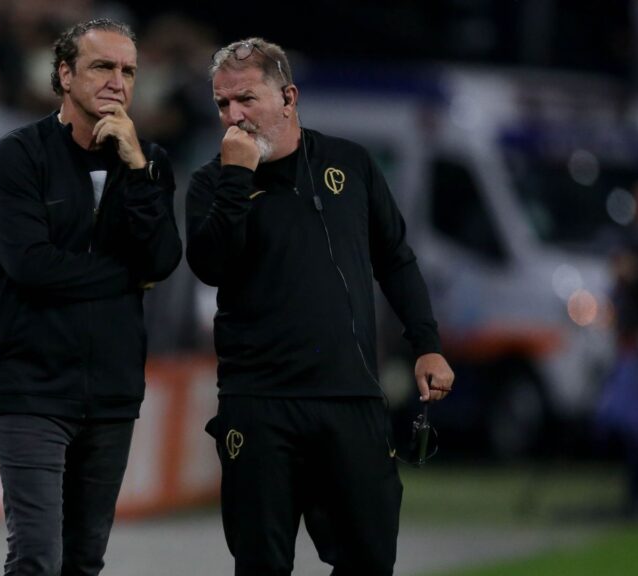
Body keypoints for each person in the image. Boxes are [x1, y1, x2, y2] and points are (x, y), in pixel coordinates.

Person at [186, 38, 454, 576]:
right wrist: (237, 178)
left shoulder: (350, 164)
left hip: (350, 397)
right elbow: (211, 265)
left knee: (370, 559)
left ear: (288, 97)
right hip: (260, 403)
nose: (233, 116)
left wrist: (427, 344)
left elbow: (395, 259)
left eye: (246, 99)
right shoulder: (212, 182)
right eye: (222, 103)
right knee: (261, 564)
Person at [0, 18, 181, 576]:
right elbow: (31, 266)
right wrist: (124, 276)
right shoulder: (19, 155)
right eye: (102, 67)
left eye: (128, 71)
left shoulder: (149, 162)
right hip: (33, 388)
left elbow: (163, 260)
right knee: (36, 558)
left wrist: (137, 169)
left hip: (112, 393)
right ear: (65, 75)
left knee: (85, 562)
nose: (118, 81)